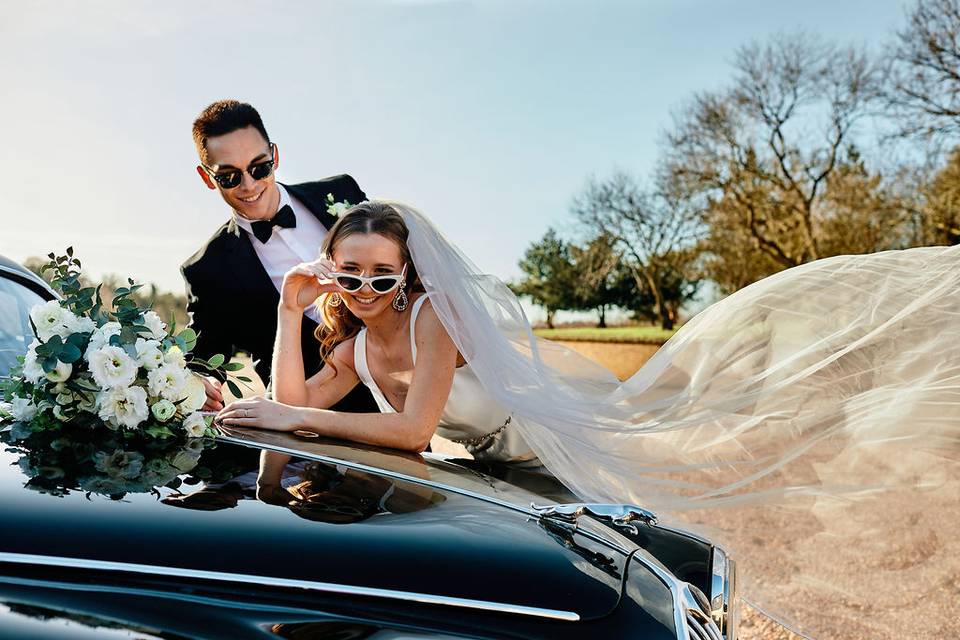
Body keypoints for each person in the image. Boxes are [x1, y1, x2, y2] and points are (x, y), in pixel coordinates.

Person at [216, 199, 960, 639]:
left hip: (538, 451)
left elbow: (410, 431)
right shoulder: (350, 330)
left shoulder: (433, 316)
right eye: (350, 275)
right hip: (482, 469)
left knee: (615, 556)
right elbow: (298, 403)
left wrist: (293, 416)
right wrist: (290, 315)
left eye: (384, 275)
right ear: (332, 268)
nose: (367, 288)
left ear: (409, 274)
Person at [180, 99, 377, 414]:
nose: (250, 185)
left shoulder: (343, 193)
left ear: (275, 156)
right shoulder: (208, 269)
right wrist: (192, 381)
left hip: (398, 396)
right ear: (207, 178)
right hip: (307, 422)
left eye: (259, 168)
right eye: (230, 177)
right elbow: (203, 357)